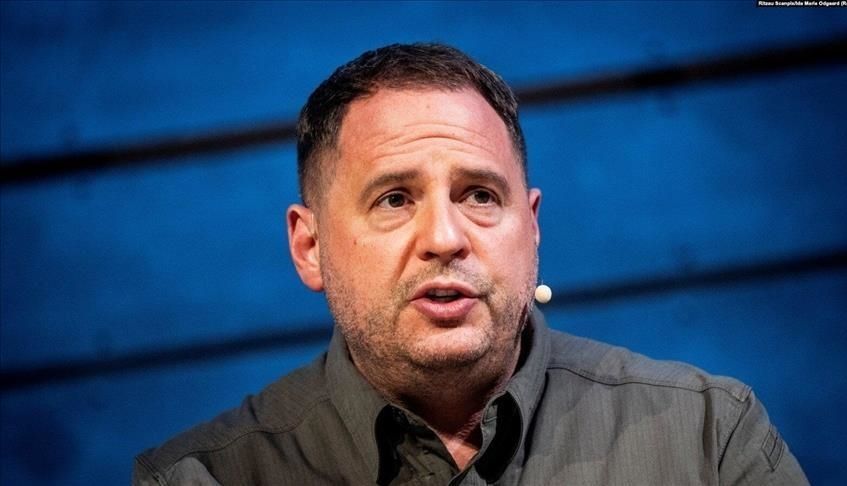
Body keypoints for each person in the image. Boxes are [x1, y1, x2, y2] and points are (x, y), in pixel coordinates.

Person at [133, 43, 808, 485]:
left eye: (480, 195)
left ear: (532, 228)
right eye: (395, 199)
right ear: (310, 247)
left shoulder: (707, 438)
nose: (444, 237)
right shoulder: (203, 477)